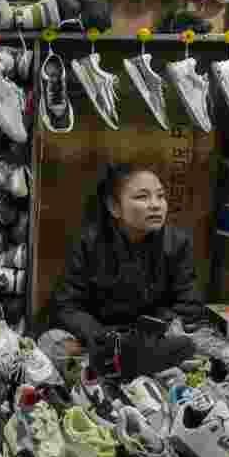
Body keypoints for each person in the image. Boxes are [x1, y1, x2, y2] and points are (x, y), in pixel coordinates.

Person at [41, 162, 204, 380]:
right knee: (52, 342)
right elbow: (66, 306)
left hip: (152, 338)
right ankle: (129, 366)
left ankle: (129, 365)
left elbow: (189, 303)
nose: (155, 205)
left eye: (160, 196)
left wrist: (156, 326)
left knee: (190, 342)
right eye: (142, 197)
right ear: (114, 207)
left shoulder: (177, 243)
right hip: (102, 338)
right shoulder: (89, 243)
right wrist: (104, 336)